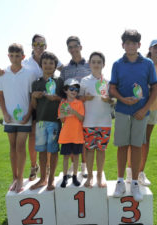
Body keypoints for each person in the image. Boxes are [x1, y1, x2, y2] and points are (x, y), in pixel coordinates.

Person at [0, 34, 63, 181]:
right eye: (36, 44)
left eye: (42, 44)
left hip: (48, 109)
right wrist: (0, 71)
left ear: (46, 45)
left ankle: (47, 170)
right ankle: (35, 167)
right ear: (32, 46)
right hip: (31, 105)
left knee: (49, 140)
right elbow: (13, 68)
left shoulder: (50, 57)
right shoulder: (26, 61)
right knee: (34, 138)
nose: (39, 47)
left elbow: (64, 69)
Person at [109, 29, 157, 202]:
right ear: (123, 45)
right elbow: (112, 88)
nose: (130, 46)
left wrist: (144, 109)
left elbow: (154, 88)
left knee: (137, 146)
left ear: (139, 45)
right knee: (122, 146)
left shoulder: (147, 64)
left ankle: (135, 183)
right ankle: (120, 181)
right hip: (122, 111)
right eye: (127, 43)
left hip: (140, 113)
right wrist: (123, 99)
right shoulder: (117, 64)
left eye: (133, 43)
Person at [126, 39, 157, 186]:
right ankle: (129, 171)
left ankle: (140, 173)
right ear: (150, 49)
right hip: (139, 106)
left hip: (154, 106)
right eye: (156, 47)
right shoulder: (142, 63)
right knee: (135, 140)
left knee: (146, 141)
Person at [0, 43, 36, 193]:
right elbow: (0, 95)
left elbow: (32, 96)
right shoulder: (3, 74)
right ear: (8, 56)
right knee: (12, 147)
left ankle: (20, 179)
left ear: (23, 57)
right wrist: (4, 114)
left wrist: (29, 114)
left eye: (17, 56)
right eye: (11, 56)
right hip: (9, 118)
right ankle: (14, 177)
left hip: (25, 118)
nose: (14, 58)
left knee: (20, 147)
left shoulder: (29, 74)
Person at [30, 51, 63, 190]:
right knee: (42, 151)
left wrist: (57, 98)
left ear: (55, 66)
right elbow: (34, 107)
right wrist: (33, 97)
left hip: (55, 121)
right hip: (41, 122)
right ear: (40, 64)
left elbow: (65, 102)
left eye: (51, 63)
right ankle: (42, 178)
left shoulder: (59, 82)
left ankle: (51, 179)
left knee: (53, 150)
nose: (48, 66)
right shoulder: (36, 83)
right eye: (45, 63)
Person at [79, 52, 113, 188]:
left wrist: (109, 99)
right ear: (89, 64)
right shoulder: (84, 81)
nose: (96, 64)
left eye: (99, 62)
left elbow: (112, 100)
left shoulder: (108, 82)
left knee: (101, 150)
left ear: (103, 64)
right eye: (93, 62)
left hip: (105, 122)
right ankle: (90, 176)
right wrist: (85, 98)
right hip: (89, 121)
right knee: (89, 149)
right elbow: (79, 98)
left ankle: (99, 175)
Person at [60, 36, 91, 178]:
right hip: (72, 108)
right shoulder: (65, 69)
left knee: (83, 138)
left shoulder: (89, 65)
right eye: (70, 47)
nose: (73, 49)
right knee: (73, 136)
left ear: (80, 47)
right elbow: (62, 89)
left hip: (87, 106)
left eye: (75, 46)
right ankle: (74, 165)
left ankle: (84, 166)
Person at [58, 78, 85, 188]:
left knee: (76, 157)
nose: (74, 91)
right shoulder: (62, 104)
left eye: (76, 90)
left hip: (77, 135)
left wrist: (73, 111)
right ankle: (65, 177)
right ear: (65, 90)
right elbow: (62, 120)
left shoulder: (79, 103)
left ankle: (74, 176)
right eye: (71, 89)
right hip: (66, 135)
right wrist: (63, 115)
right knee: (65, 157)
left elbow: (82, 118)